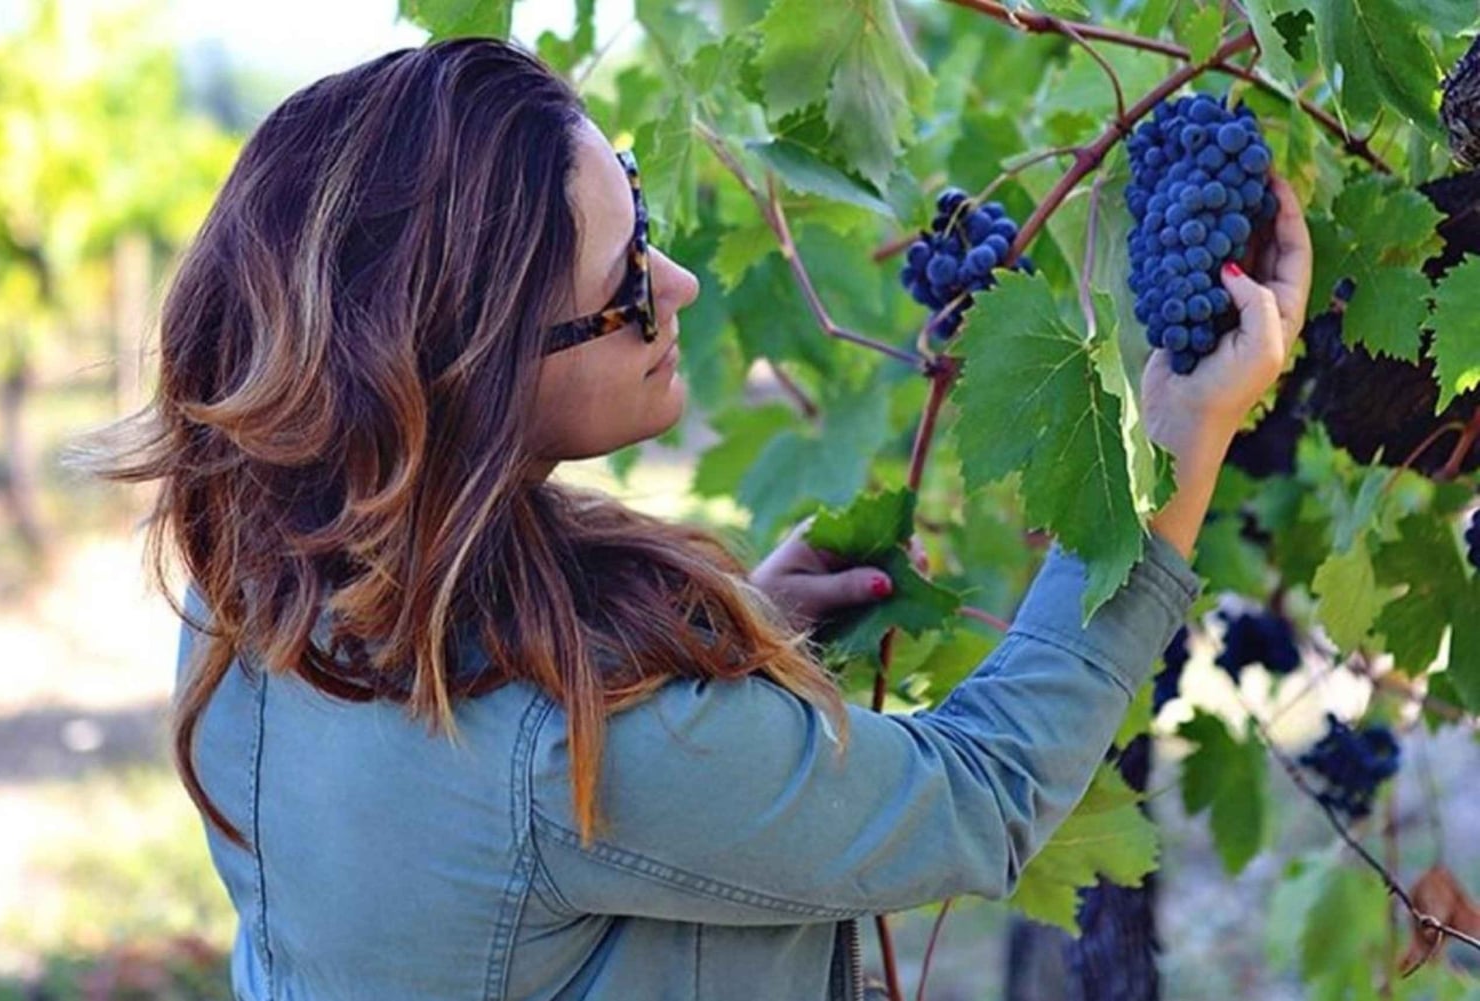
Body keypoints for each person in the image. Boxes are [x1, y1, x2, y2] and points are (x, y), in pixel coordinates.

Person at [76, 37, 1312, 1001]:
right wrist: (1179, 441)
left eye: (644, 221)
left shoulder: (253, 585)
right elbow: (979, 796)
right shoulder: (581, 752)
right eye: (624, 287)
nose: (679, 286)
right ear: (478, 377)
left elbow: (456, 846)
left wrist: (723, 643)